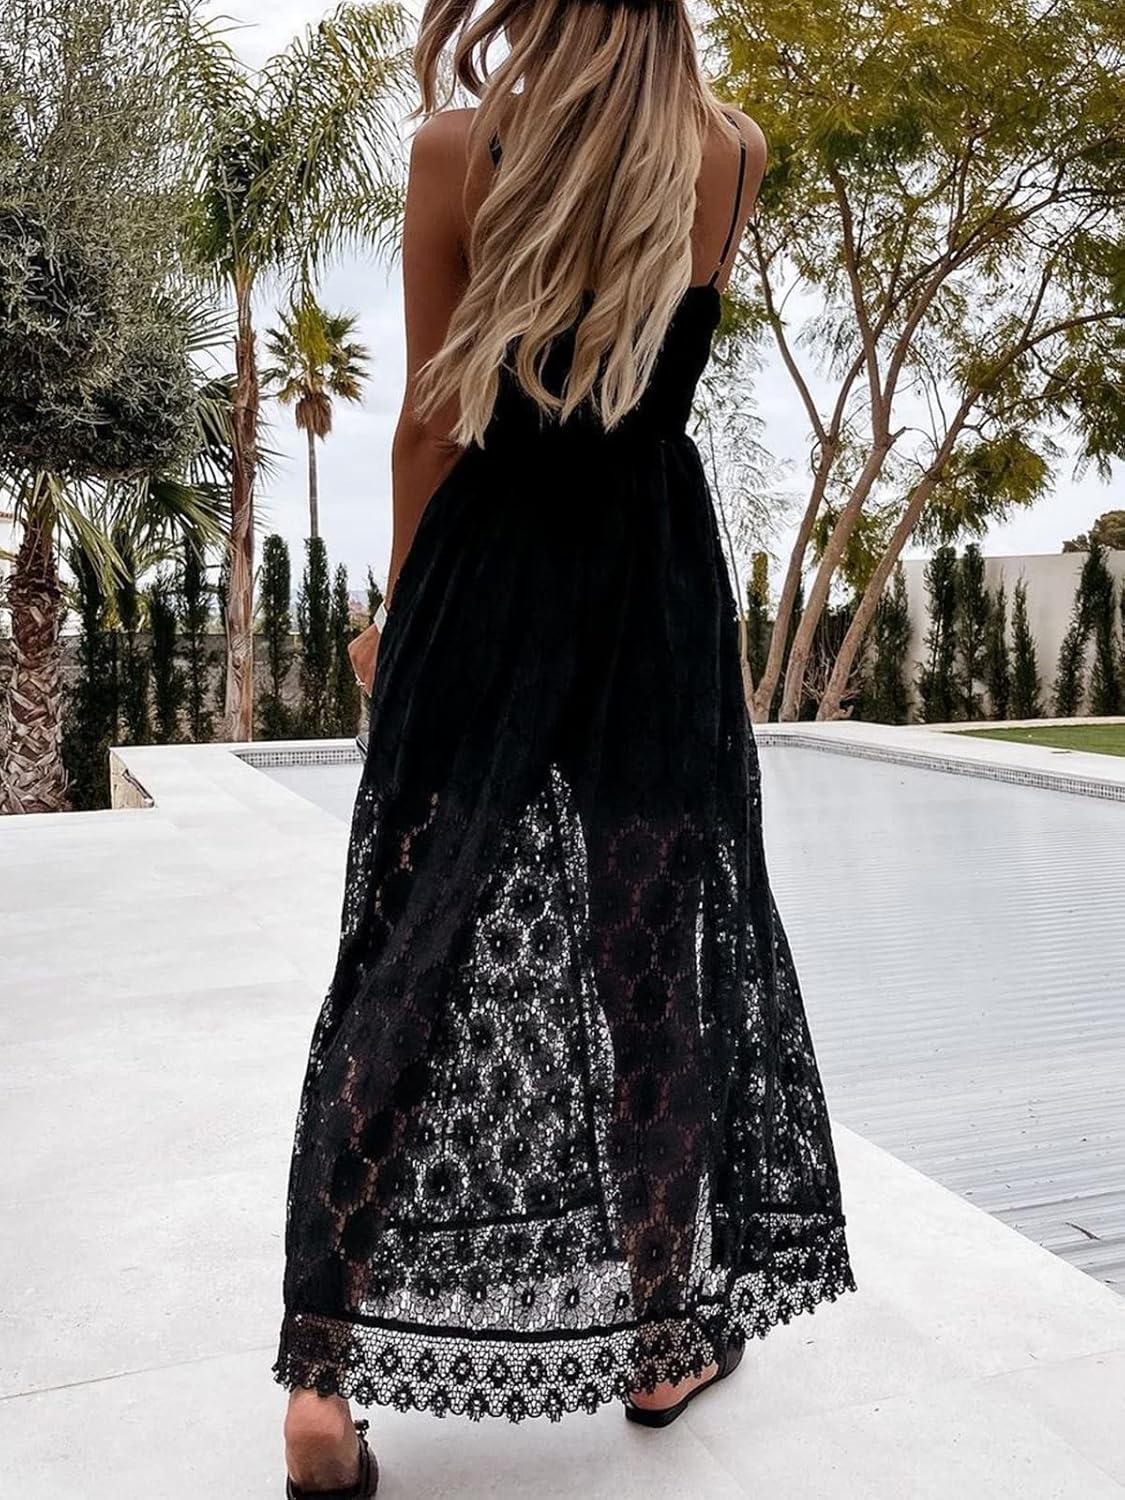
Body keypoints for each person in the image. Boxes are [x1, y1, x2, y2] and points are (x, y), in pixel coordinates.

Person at [275, 0, 856, 1490]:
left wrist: (402, 618)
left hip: (486, 573)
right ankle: (660, 1344)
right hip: (649, 585)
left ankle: (321, 1388)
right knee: (647, 960)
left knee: (405, 956)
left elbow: (428, 423)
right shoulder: (728, 156)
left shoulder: (454, 152)